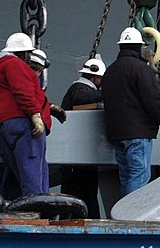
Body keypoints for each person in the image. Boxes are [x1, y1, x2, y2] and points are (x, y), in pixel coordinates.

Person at [101, 27, 160, 197]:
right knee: (139, 175)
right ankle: (130, 220)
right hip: (138, 134)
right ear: (139, 47)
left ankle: (122, 219)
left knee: (126, 176)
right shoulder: (141, 69)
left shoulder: (110, 71)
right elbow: (154, 101)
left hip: (117, 134)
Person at [0, 33, 58, 197]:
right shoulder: (15, 65)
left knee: (21, 172)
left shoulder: (3, 67)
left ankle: (23, 207)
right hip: (23, 124)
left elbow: (13, 95)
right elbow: (24, 92)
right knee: (34, 169)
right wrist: (35, 114)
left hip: (5, 124)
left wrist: (48, 107)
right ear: (24, 52)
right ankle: (37, 210)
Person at [59, 58, 106, 218]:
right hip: (78, 156)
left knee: (80, 192)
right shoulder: (79, 89)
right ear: (95, 78)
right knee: (81, 193)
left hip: (77, 154)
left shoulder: (77, 89)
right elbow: (83, 98)